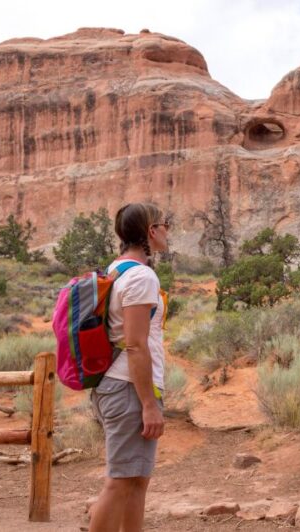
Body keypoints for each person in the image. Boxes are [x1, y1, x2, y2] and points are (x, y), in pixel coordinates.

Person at [89, 203, 169, 532]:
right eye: (164, 225)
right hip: (129, 389)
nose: (167, 231)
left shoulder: (117, 270)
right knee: (120, 482)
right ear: (151, 231)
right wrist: (149, 403)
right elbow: (135, 345)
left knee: (136, 481)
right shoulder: (141, 276)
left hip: (119, 385)